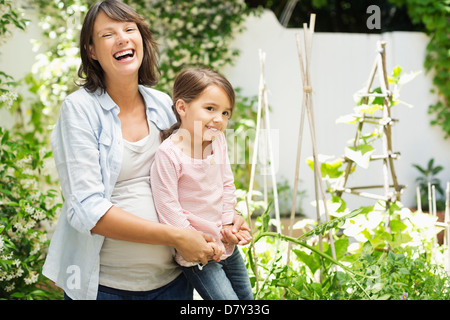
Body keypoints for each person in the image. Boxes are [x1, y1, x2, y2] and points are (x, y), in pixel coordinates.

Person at [42, 0, 249, 300]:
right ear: (91, 51)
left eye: (129, 29)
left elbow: (196, 180)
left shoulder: (164, 104)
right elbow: (87, 209)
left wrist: (228, 217)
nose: (123, 38)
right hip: (105, 287)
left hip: (171, 284)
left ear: (141, 39)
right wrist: (177, 236)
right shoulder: (79, 110)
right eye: (108, 34)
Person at [150, 68, 254, 300]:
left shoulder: (218, 141)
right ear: (182, 107)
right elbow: (168, 207)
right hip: (198, 254)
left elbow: (226, 182)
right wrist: (196, 241)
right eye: (210, 109)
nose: (219, 119)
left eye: (226, 113)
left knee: (247, 298)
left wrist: (229, 223)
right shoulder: (169, 154)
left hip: (225, 243)